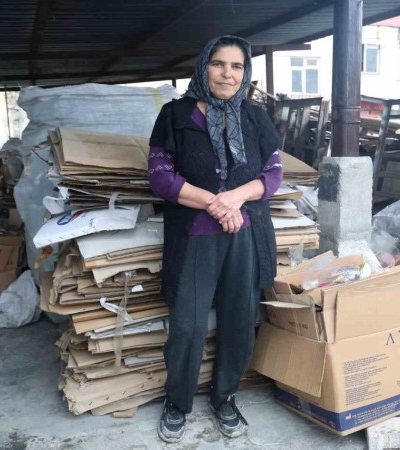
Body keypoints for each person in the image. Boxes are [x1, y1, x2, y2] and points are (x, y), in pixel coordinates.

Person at [147, 35, 282, 443]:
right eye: (218, 64)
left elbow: (273, 173)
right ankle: (178, 401)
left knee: (239, 321)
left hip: (245, 234)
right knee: (187, 325)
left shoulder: (255, 116)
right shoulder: (176, 114)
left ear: (245, 73)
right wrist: (214, 203)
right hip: (194, 235)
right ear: (204, 66)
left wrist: (236, 197)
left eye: (236, 66)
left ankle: (225, 397)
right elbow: (160, 176)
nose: (227, 74)